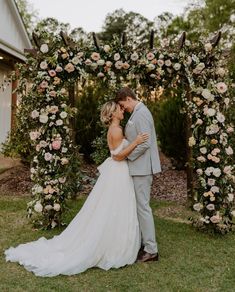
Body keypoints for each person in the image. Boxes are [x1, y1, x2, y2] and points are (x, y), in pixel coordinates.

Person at [4, 101, 149, 277]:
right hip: (118, 171)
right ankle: (112, 245)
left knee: (111, 207)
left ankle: (113, 241)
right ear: (112, 114)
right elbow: (118, 156)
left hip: (115, 172)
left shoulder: (115, 129)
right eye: (119, 109)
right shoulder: (116, 130)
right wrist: (136, 142)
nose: (122, 110)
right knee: (114, 207)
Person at [114, 87, 161, 262]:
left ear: (127, 98)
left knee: (143, 207)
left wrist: (127, 156)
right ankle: (144, 243)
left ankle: (151, 249)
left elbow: (145, 143)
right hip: (139, 167)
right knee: (140, 207)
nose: (123, 109)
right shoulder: (137, 113)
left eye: (122, 105)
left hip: (142, 168)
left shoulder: (141, 114)